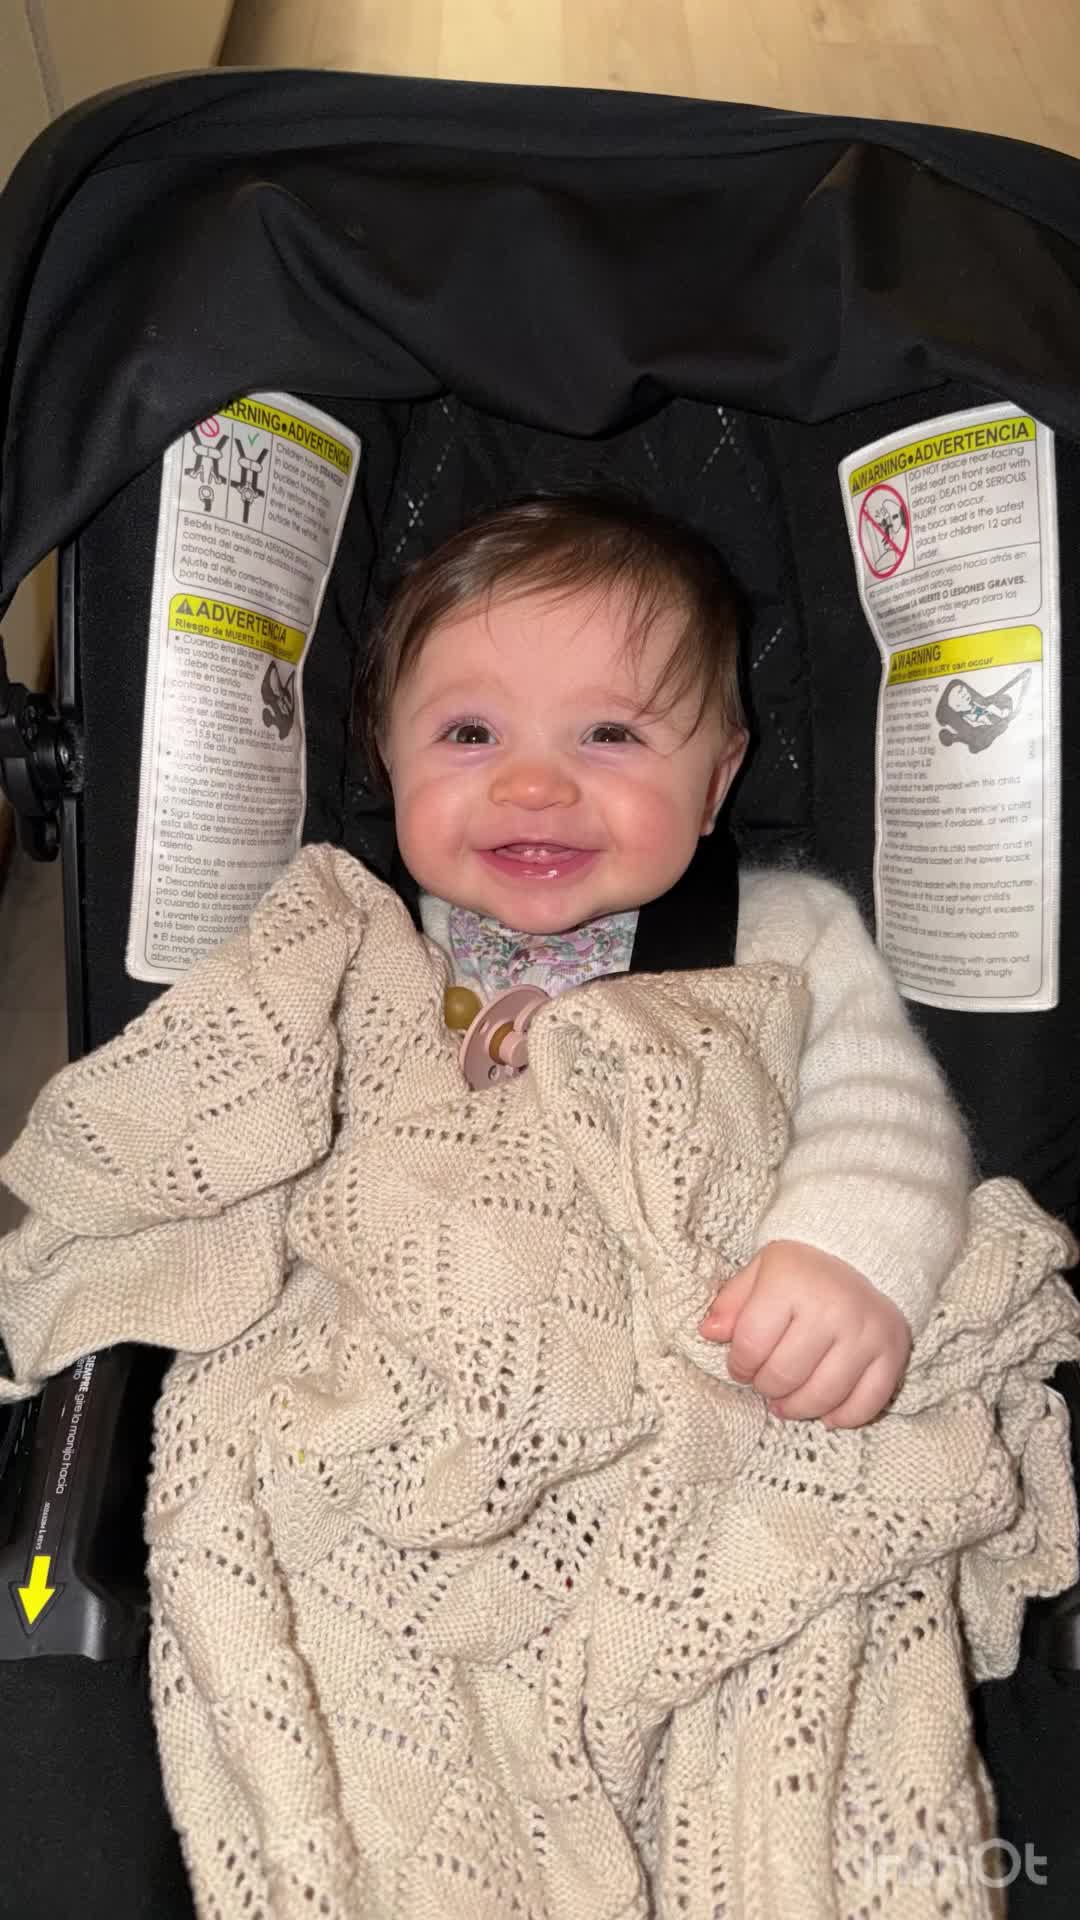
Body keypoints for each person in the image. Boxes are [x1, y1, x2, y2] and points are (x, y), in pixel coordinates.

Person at [359, 491, 971, 1429]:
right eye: (469, 734)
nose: (533, 784)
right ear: (390, 761)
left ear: (715, 783)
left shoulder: (783, 939)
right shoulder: (372, 946)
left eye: (610, 735)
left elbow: (881, 1111)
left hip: (698, 1364)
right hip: (431, 1358)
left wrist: (842, 1256)